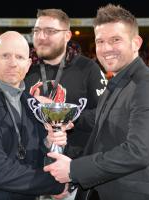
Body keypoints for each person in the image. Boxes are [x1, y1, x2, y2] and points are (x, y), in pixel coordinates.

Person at [44, 4, 149, 200]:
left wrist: (73, 170)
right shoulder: (118, 83)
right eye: (100, 41)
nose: (106, 49)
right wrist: (66, 117)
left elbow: (138, 152)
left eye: (115, 40)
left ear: (136, 42)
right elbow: (99, 119)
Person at [0, 31, 69, 200]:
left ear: (29, 64)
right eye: (5, 56)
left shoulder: (34, 105)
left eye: (20, 57)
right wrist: (56, 184)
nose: (13, 63)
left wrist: (50, 142)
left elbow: (36, 158)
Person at [25, 9, 107, 161]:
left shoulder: (88, 69)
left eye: (50, 31)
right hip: (28, 166)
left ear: (67, 36)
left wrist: (67, 116)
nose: (41, 37)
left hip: (74, 165)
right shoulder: (23, 67)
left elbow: (106, 113)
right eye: (37, 31)